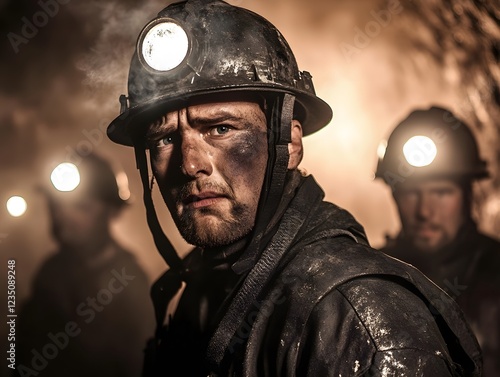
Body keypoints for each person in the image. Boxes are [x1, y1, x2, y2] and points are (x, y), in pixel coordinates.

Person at [107, 1, 482, 375]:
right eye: (165, 140)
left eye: (220, 128)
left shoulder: (357, 317)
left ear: (289, 144)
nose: (189, 164)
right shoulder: (193, 293)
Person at [376, 106, 500, 376]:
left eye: (441, 192)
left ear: (469, 195)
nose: (424, 211)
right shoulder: (372, 278)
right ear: (395, 196)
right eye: (410, 193)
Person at [15, 154, 154, 377]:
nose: (62, 215)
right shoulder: (49, 271)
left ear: (112, 211)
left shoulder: (129, 281)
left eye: (81, 206)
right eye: (56, 205)